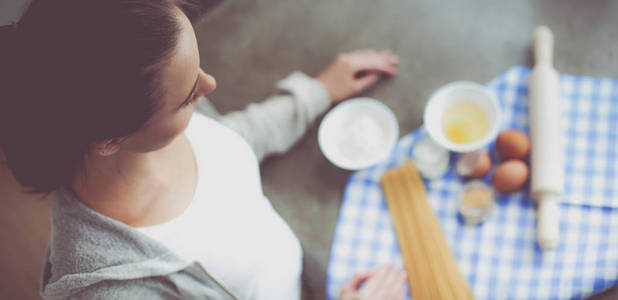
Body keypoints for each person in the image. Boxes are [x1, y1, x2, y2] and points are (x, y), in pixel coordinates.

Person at [0, 0, 407, 299]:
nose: (210, 84)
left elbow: (230, 140)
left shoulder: (153, 122)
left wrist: (318, 91)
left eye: (198, 67)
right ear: (110, 140)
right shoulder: (115, 289)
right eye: (189, 97)